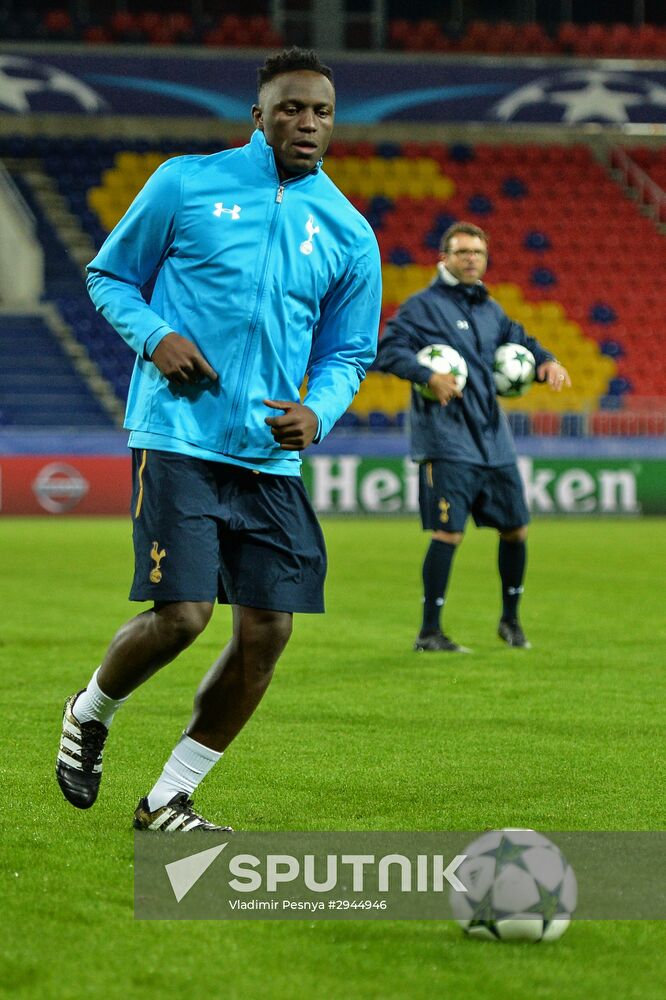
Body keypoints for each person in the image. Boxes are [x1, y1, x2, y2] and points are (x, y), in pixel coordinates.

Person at [55, 47, 381, 831]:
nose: (308, 122)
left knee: (268, 630)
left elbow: (349, 352)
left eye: (322, 112)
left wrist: (319, 412)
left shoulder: (349, 232)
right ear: (259, 116)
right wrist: (156, 336)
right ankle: (89, 712)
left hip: (270, 456)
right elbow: (108, 276)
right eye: (292, 108)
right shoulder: (185, 183)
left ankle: (169, 797)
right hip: (179, 435)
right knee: (184, 616)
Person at [376, 221, 570, 653]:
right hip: (446, 439)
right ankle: (429, 632)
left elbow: (521, 340)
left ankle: (510, 621)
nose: (471, 259)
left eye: (478, 253)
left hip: (493, 438)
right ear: (443, 257)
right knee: (448, 534)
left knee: (516, 529)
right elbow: (388, 350)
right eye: (462, 251)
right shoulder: (422, 307)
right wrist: (427, 375)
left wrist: (546, 360)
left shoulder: (490, 308)